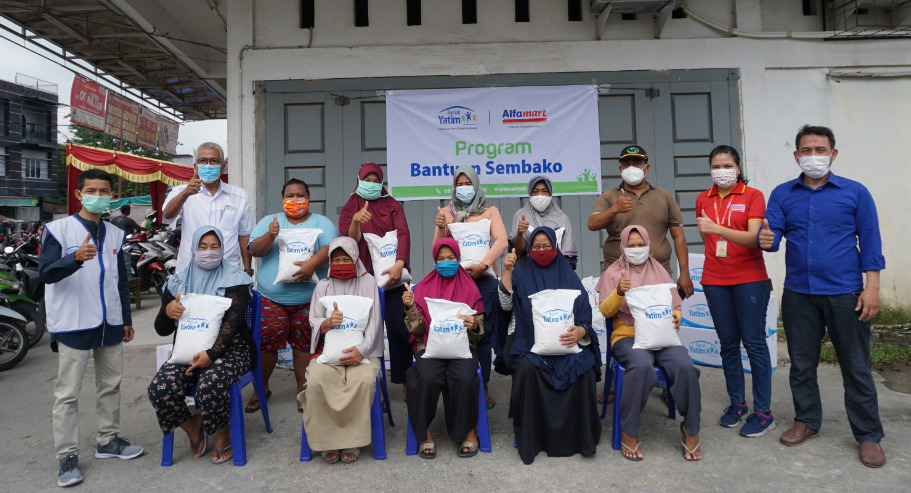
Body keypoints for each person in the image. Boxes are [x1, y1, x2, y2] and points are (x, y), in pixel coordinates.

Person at [759, 125, 886, 468]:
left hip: (846, 292)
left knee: (856, 366)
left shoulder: (855, 192)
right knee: (801, 364)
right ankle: (807, 421)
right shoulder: (783, 194)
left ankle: (868, 435)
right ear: (796, 155)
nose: (813, 155)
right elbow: (772, 236)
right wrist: (766, 239)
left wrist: (871, 289)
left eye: (820, 149)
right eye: (807, 150)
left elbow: (871, 243)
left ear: (833, 153)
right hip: (799, 293)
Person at [39, 169, 143, 487]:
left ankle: (107, 441)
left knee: (110, 385)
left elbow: (120, 279)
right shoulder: (58, 230)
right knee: (68, 394)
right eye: (92, 190)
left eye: (104, 191)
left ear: (112, 195)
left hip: (109, 322)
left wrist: (126, 319)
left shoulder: (114, 233)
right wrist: (74, 259)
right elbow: (45, 273)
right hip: (73, 324)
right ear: (79, 194)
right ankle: (67, 455)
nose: (99, 196)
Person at [147, 226, 255, 465]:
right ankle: (193, 425)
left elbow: (232, 326)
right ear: (194, 250)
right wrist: (167, 312)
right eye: (203, 247)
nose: (209, 252)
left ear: (223, 250)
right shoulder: (178, 282)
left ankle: (223, 431)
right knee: (160, 388)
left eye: (215, 247)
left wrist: (211, 354)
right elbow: (162, 329)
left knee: (210, 384)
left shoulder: (236, 281)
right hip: (188, 349)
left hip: (232, 348)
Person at [597, 225, 702, 461]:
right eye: (631, 245)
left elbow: (675, 305)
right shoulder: (614, 272)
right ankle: (628, 430)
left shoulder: (660, 271)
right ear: (623, 247)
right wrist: (619, 293)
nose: (636, 249)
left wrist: (676, 317)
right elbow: (604, 311)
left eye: (640, 244)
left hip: (662, 335)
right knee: (641, 366)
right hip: (627, 336)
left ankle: (691, 429)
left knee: (685, 365)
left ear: (648, 244)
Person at [694, 145, 774, 437]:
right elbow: (707, 241)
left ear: (738, 168)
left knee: (753, 342)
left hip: (749, 278)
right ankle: (737, 404)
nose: (722, 171)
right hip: (715, 279)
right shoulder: (703, 198)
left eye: (727, 165)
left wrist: (718, 228)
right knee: (728, 343)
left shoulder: (753, 196)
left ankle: (763, 412)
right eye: (716, 166)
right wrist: (716, 230)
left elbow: (753, 238)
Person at [506, 227, 601, 464]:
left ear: (555, 248)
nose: (541, 250)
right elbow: (505, 304)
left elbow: (583, 310)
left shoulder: (568, 274)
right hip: (531, 344)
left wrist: (581, 330)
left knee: (584, 368)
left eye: (546, 246)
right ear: (529, 249)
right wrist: (507, 270)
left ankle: (581, 439)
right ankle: (534, 439)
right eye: (536, 246)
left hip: (568, 343)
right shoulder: (521, 273)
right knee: (527, 370)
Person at [247, 178, 338, 413]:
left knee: (304, 344)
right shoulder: (271, 221)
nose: (295, 200)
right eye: (290, 195)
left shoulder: (322, 222)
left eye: (300, 195)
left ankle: (303, 390)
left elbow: (331, 248)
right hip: (271, 299)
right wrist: (270, 235)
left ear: (308, 198)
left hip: (308, 300)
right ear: (282, 199)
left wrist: (311, 265)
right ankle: (261, 387)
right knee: (266, 344)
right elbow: (254, 250)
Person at [403, 238, 485, 459]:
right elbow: (418, 330)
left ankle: (468, 429)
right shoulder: (424, 288)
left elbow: (480, 332)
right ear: (434, 261)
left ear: (458, 259)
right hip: (430, 346)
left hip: (462, 347)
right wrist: (410, 307)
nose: (446, 262)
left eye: (450, 258)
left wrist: (475, 324)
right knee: (426, 377)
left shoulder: (470, 288)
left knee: (465, 376)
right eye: (441, 259)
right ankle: (424, 432)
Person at [304, 237, 384, 464]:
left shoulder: (368, 283)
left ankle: (352, 440)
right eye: (336, 259)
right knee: (318, 380)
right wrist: (328, 322)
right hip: (328, 354)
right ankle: (327, 441)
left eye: (345, 258)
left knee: (362, 380)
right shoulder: (323, 285)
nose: (340, 263)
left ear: (356, 258)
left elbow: (375, 323)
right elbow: (314, 320)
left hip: (363, 353)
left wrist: (361, 350)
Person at [434, 165, 507, 408]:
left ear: (476, 185)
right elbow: (438, 249)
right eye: (459, 184)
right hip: (455, 281)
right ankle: (459, 383)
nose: (464, 188)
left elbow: (502, 241)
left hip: (483, 280)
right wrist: (440, 227)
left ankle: (483, 384)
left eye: (468, 184)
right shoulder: (446, 211)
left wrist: (483, 264)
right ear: (453, 187)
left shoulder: (489, 210)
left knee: (482, 335)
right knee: (458, 331)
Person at [338, 162, 412, 398]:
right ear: (359, 180)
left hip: (394, 278)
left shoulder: (391, 204)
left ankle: (406, 382)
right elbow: (349, 243)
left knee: (401, 330)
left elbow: (403, 233)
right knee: (366, 333)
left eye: (375, 179)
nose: (370, 184)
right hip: (363, 280)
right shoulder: (352, 205)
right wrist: (356, 221)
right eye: (366, 179)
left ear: (381, 181)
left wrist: (400, 263)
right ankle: (374, 387)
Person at [587, 145, 694, 296]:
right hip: (618, 275)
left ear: (647, 168)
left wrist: (684, 274)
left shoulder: (665, 196)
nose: (632, 167)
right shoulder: (608, 197)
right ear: (620, 169)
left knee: (661, 318)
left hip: (659, 272)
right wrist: (615, 209)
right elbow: (592, 224)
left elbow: (679, 237)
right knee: (619, 319)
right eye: (626, 164)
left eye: (637, 163)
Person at [163, 142, 254, 275]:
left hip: (228, 271)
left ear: (222, 167)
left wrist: (247, 269)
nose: (208, 165)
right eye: (203, 161)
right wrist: (186, 193)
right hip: (190, 271)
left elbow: (244, 234)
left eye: (214, 161)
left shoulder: (239, 196)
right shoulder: (181, 192)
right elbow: (167, 216)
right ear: (196, 166)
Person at [509, 175, 578, 269]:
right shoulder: (521, 215)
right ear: (530, 193)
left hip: (555, 271)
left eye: (545, 191)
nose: (540, 196)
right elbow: (518, 251)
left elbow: (567, 256)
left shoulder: (562, 218)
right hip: (528, 271)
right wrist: (520, 233)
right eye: (535, 192)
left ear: (550, 193)